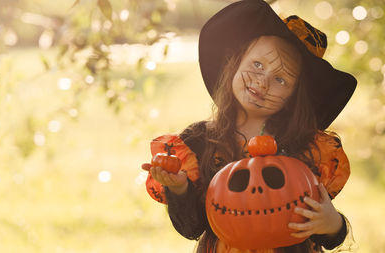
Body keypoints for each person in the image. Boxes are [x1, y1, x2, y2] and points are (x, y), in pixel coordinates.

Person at [142, 0, 357, 252]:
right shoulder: (199, 141)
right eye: (257, 65)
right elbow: (192, 227)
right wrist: (179, 189)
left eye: (280, 79)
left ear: (294, 97)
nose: (262, 83)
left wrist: (332, 224)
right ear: (235, 63)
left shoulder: (310, 149)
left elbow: (328, 235)